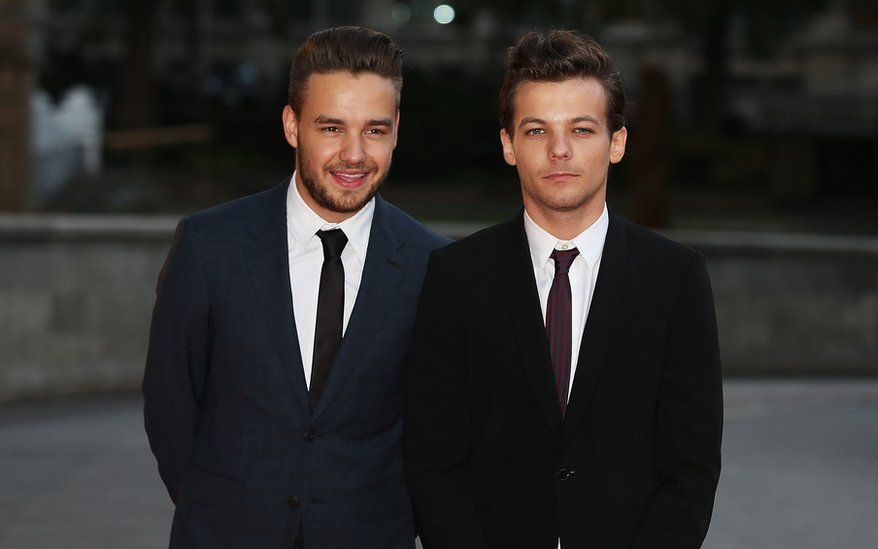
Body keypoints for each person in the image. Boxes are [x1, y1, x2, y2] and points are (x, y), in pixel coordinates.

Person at [406, 30, 722, 548]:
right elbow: (432, 461)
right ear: (508, 144)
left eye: (581, 129)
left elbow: (691, 469)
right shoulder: (456, 275)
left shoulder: (675, 279)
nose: (559, 150)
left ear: (616, 142)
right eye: (536, 131)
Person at [143, 26, 447, 548]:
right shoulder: (209, 244)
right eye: (331, 128)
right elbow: (171, 397)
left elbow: (443, 430)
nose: (354, 154)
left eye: (374, 130)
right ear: (292, 125)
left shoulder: (434, 264)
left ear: (396, 129)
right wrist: (211, 503)